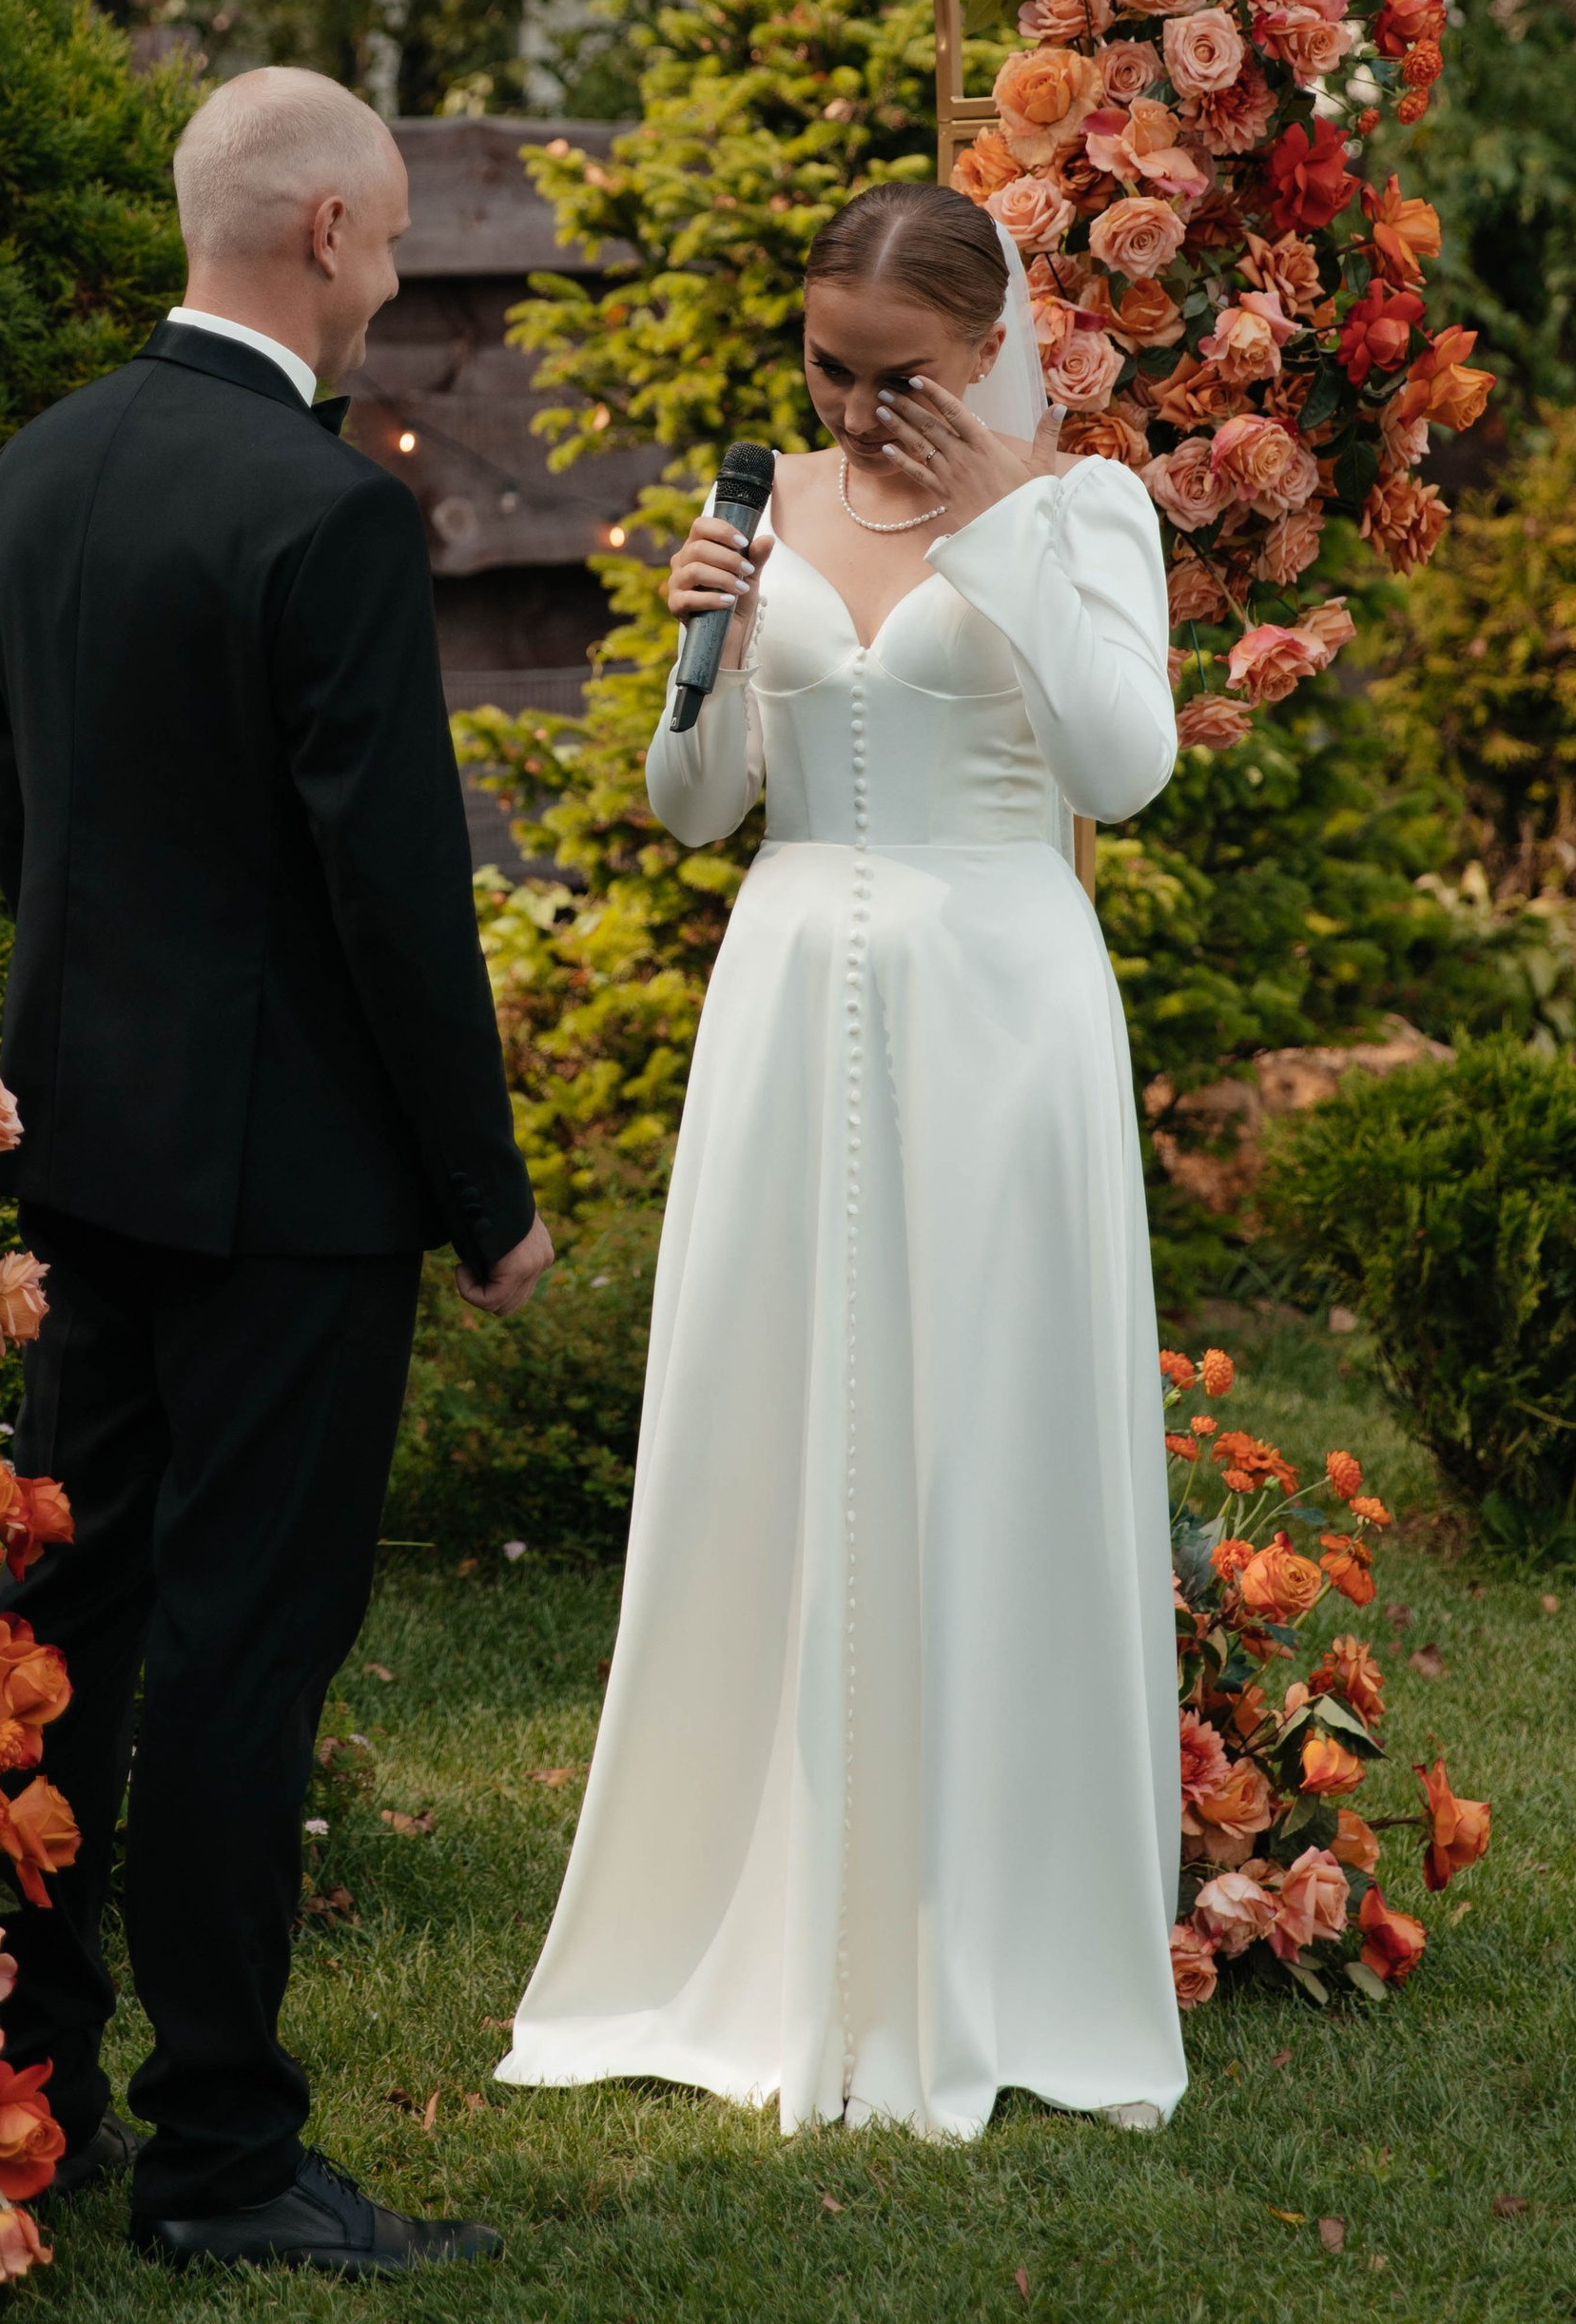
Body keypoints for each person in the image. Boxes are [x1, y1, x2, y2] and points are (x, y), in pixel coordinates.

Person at [498, 180, 1185, 2142]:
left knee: (985, 1432)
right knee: (777, 1430)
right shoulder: (762, 507)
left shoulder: (1082, 507)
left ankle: (997, 1927)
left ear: (982, 352)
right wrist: (694, 650)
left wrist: (997, 519)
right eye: (828, 367)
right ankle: (762, 1907)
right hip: (793, 996)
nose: (861, 406)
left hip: (1002, 1006)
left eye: (899, 376)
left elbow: (1120, 772)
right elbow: (693, 806)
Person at [0, 65, 554, 2272]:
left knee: (68, 1624)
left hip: (81, 1156)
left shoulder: (39, 470)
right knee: (236, 1654)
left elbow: (11, 812)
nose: (395, 276)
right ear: (317, 234)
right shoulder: (319, 514)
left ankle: (20, 2092)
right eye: (390, 237)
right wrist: (482, 1205)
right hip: (291, 1192)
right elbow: (394, 899)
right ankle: (219, 2155)